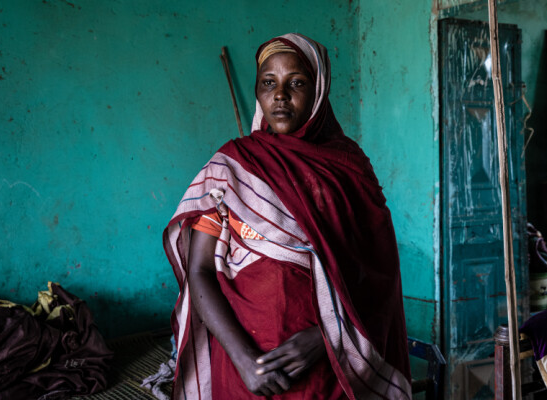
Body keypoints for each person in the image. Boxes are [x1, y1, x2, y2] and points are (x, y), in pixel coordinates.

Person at [164, 33, 412, 399]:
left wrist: (327, 334)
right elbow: (199, 271)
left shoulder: (349, 168)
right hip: (246, 372)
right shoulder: (232, 167)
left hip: (329, 371)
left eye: (296, 82)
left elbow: (378, 275)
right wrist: (245, 359)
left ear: (319, 90)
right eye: (269, 83)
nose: (280, 94)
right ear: (258, 91)